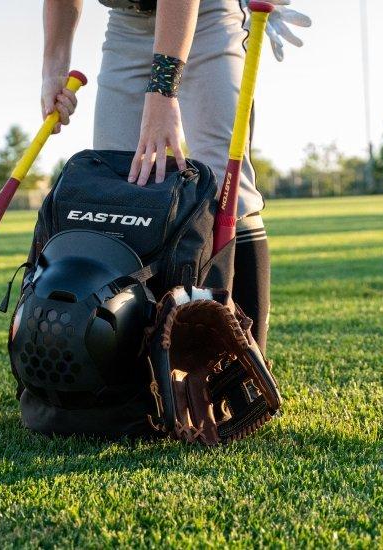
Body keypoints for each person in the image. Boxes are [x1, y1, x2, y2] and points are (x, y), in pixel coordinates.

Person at [40, 0, 309, 351]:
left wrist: (162, 91)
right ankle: (136, 372)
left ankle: (246, 366)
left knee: (226, 185)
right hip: (126, 24)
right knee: (121, 189)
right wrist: (53, 70)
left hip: (205, 15)